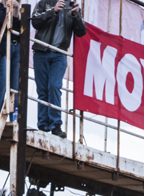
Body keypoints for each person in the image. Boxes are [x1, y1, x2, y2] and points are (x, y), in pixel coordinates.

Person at [32, 0, 86, 137]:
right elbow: (35, 21)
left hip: (59, 54)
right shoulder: (44, 2)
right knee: (42, 90)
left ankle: (56, 125)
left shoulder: (72, 6)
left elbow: (81, 32)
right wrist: (53, 11)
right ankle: (43, 124)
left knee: (54, 86)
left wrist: (77, 16)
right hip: (41, 51)